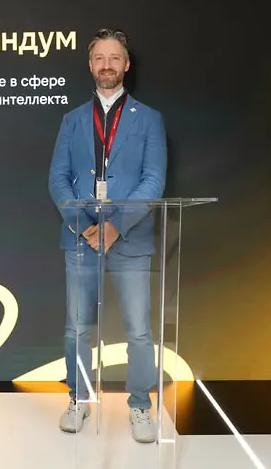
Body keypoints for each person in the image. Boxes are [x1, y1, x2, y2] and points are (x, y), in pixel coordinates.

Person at [48, 29, 167, 442]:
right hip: (80, 239)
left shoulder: (149, 119)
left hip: (130, 239)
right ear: (90, 65)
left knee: (139, 330)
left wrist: (116, 226)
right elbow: (58, 178)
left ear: (126, 65)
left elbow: (153, 180)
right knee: (77, 329)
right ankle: (78, 399)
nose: (107, 65)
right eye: (99, 58)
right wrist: (83, 225)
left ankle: (140, 406)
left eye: (114, 58)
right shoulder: (72, 120)